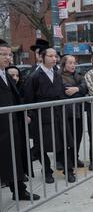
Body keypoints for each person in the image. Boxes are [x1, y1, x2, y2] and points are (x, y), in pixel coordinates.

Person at [24, 47, 76, 183]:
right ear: (42, 57)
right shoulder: (34, 76)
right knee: (42, 146)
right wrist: (30, 115)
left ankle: (68, 170)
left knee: (64, 143)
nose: (54, 59)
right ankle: (47, 171)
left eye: (55, 56)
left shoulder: (57, 74)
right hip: (42, 116)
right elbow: (28, 98)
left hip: (59, 114)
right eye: (51, 56)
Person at [0, 41, 40, 201]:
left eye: (9, 54)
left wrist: (23, 113)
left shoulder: (6, 74)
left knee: (14, 159)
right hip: (2, 127)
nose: (7, 58)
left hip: (12, 126)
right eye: (3, 54)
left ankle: (19, 191)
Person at [59, 55, 88, 169]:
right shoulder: (58, 76)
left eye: (74, 63)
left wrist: (77, 89)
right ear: (64, 64)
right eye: (70, 63)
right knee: (66, 138)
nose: (72, 65)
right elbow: (65, 90)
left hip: (78, 112)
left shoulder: (78, 75)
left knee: (78, 136)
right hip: (65, 112)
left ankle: (74, 158)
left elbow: (85, 87)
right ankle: (64, 161)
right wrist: (79, 90)